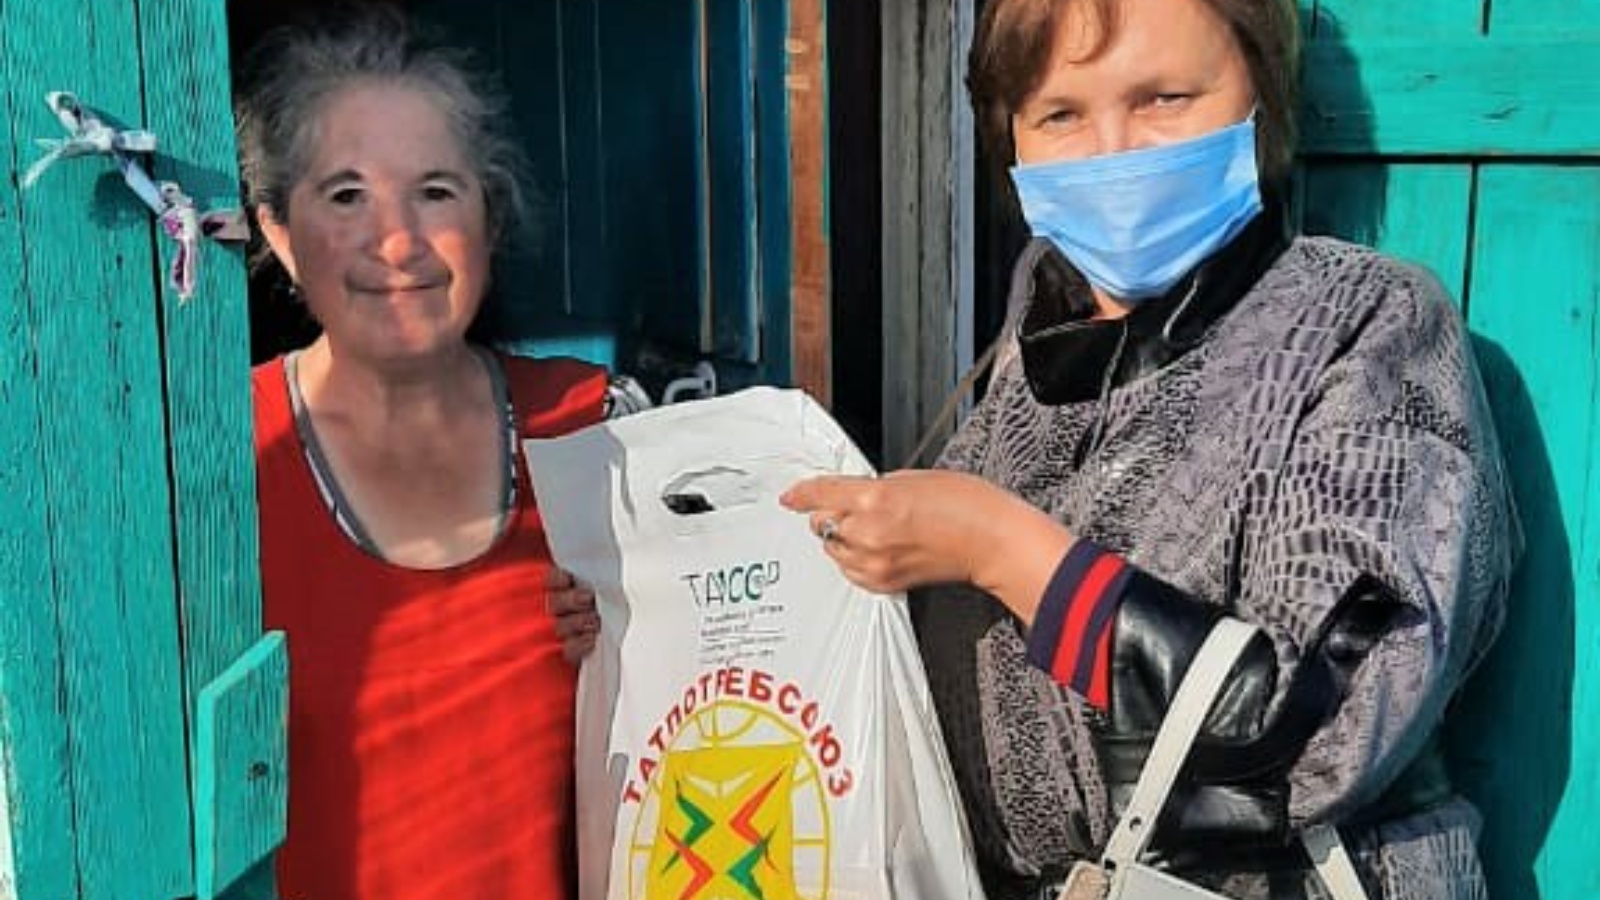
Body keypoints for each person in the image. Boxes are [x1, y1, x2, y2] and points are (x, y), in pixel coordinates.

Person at [774, 0, 1521, 898]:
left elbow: (1333, 727)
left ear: (1261, 96)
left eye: (1165, 98)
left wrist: (999, 550)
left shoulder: (1362, 324)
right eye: (1060, 114)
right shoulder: (1018, 372)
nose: (1112, 150)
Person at [238, 6, 607, 897]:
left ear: (489, 218)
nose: (398, 241)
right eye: (346, 195)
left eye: (436, 191)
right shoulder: (221, 460)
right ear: (278, 231)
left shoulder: (598, 432)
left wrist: (646, 625)